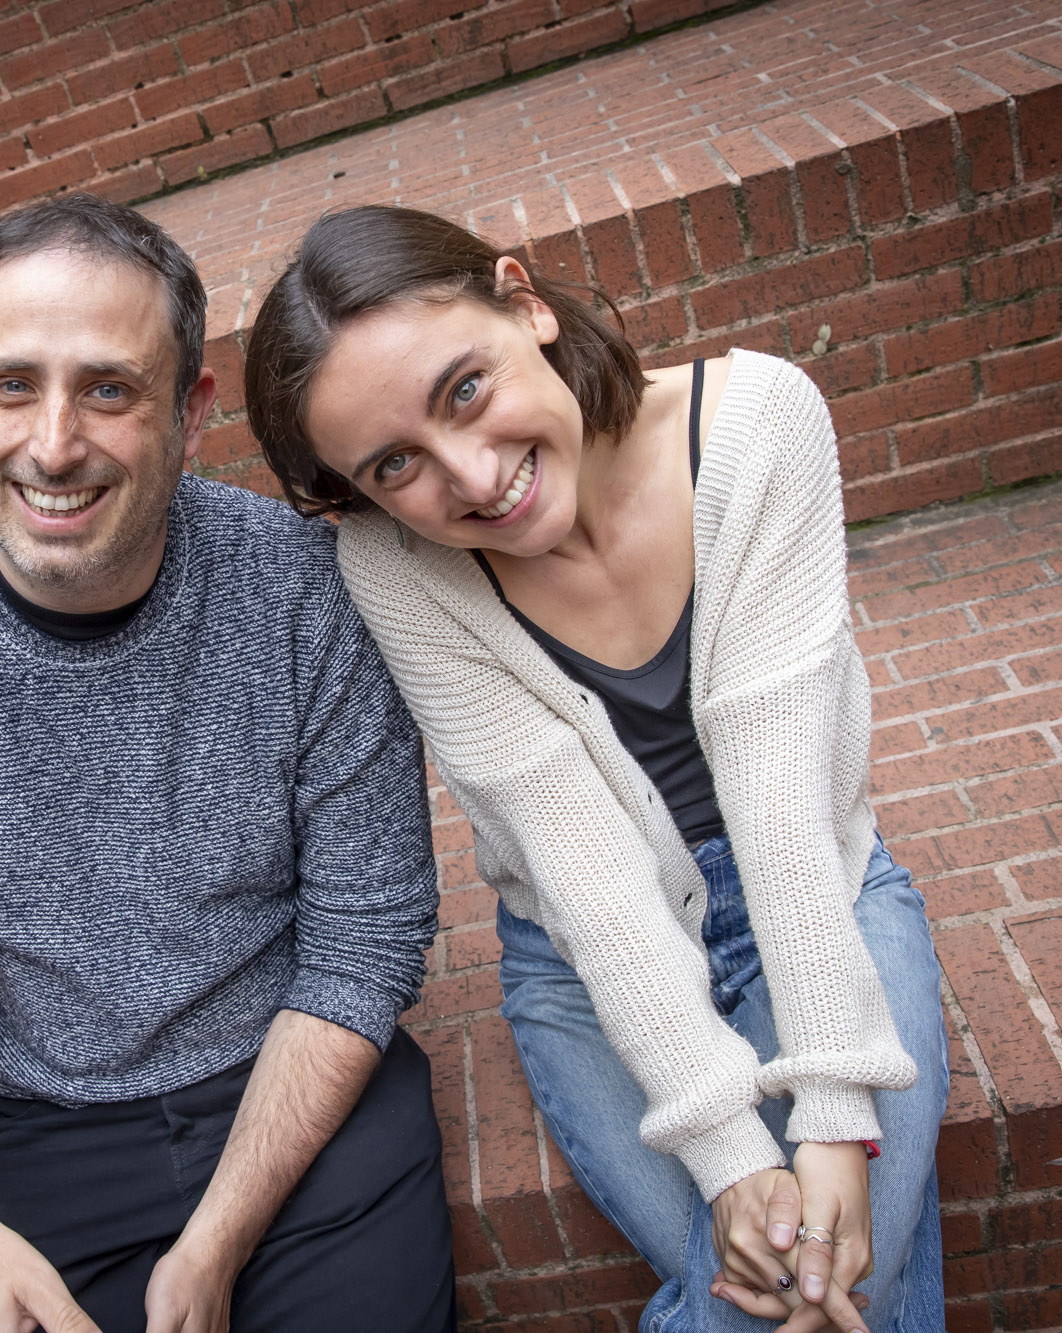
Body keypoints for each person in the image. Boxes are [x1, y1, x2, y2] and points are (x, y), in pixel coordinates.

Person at [243, 205, 949, 1333]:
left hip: (821, 890)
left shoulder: (755, 424)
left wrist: (830, 1117)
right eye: (393, 465)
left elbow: (777, 802)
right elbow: (586, 873)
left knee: (810, 1281)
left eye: (463, 389)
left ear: (523, 302)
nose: (471, 477)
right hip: (584, 964)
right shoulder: (394, 570)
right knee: (798, 1292)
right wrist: (728, 1158)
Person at [0, 194, 456, 1333]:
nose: (51, 445)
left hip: (302, 1085)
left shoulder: (303, 592)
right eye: (8, 385)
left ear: (189, 416)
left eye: (106, 389)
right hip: (44, 1129)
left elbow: (363, 938)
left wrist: (213, 1243)